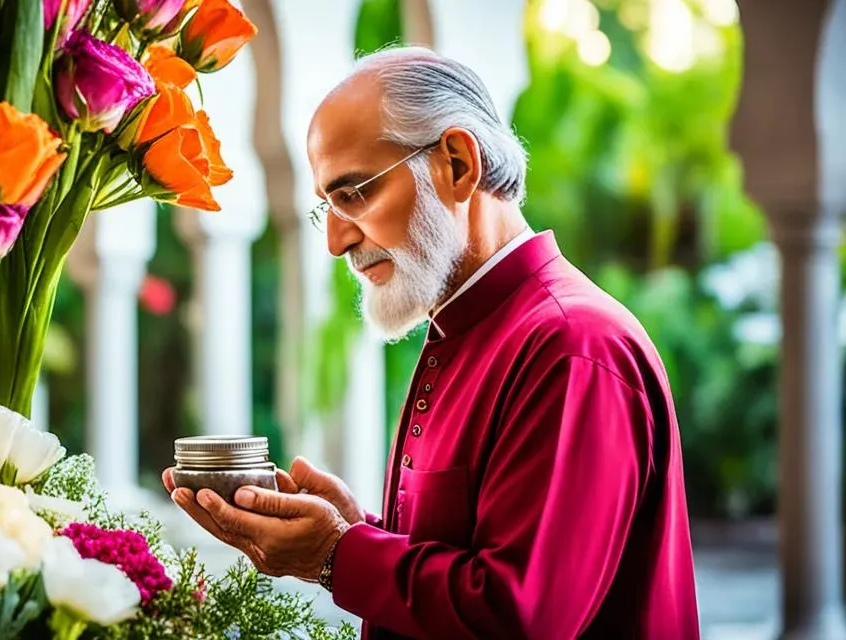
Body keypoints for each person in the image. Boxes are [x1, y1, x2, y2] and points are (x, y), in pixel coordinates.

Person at [162, 46, 700, 640]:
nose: (337, 242)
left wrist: (336, 554)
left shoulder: (573, 346)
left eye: (354, 194)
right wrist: (355, 530)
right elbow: (466, 560)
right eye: (326, 209)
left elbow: (524, 618)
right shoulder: (469, 327)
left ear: (458, 164)